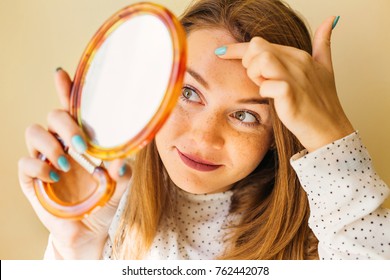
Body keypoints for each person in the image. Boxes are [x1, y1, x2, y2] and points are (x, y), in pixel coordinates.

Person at [18, 0, 389, 260]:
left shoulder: (326, 238)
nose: (203, 137)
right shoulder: (107, 211)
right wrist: (75, 249)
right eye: (188, 92)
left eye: (245, 116)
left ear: (277, 139)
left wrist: (332, 135)